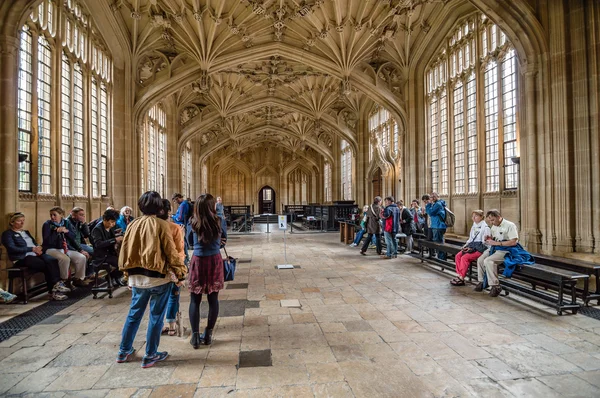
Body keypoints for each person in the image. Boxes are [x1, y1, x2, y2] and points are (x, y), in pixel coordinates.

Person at [116, 191, 187, 368]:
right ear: (159, 207)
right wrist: (181, 273)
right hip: (157, 278)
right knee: (156, 316)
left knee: (134, 314)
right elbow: (171, 253)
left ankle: (124, 351)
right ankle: (151, 354)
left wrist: (126, 274)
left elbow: (125, 250)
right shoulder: (161, 224)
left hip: (136, 277)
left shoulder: (133, 224)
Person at [187, 193, 227, 349]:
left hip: (198, 260)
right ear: (212, 206)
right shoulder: (218, 220)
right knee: (213, 299)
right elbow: (224, 240)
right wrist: (214, 246)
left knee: (194, 300)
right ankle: (208, 334)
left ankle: (195, 337)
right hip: (214, 260)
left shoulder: (193, 222)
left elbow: (189, 242)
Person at [2, 212, 70, 301]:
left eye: (23, 221)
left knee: (52, 260)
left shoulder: (26, 232)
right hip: (22, 258)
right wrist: (31, 249)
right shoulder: (8, 234)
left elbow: (34, 243)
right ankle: (55, 289)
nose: (22, 223)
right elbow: (12, 248)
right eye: (19, 221)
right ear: (12, 222)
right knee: (46, 265)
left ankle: (55, 287)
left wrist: (38, 248)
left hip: (35, 254)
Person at [474, 209, 533, 297]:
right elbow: (495, 238)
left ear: (498, 217)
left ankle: (495, 286)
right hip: (495, 248)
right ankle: (482, 281)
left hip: (506, 250)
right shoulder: (494, 226)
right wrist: (489, 238)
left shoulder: (510, 225)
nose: (491, 222)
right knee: (480, 259)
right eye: (489, 220)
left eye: (493, 220)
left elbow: (513, 242)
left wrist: (498, 243)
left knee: (488, 261)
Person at [158, 199, 186, 337]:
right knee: (173, 296)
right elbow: (179, 252)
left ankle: (159, 325)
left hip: (155, 269)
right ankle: (172, 327)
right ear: (168, 211)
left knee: (158, 298)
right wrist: (180, 273)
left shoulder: (149, 227)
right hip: (172, 269)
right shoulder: (174, 228)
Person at [42, 207, 89, 287]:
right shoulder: (47, 224)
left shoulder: (66, 223)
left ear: (61, 215)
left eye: (54, 215)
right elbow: (47, 241)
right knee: (65, 259)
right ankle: (65, 280)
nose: (52, 217)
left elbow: (73, 237)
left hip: (65, 248)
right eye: (51, 215)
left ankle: (78, 279)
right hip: (51, 249)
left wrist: (80, 249)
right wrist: (57, 232)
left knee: (81, 257)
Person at [450, 210, 490, 286]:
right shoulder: (474, 225)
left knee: (465, 258)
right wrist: (466, 245)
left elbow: (485, 242)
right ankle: (459, 274)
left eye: (476, 216)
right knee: (458, 256)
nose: (473, 218)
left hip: (480, 248)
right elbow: (471, 238)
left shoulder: (485, 227)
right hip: (472, 246)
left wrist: (473, 247)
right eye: (473, 216)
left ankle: (462, 277)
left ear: (481, 217)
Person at [90, 209, 125, 285]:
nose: (113, 224)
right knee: (121, 263)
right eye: (111, 222)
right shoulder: (97, 229)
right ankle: (111, 277)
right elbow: (98, 244)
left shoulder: (112, 227)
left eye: (114, 221)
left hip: (111, 252)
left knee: (126, 259)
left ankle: (115, 277)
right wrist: (114, 240)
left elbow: (114, 236)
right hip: (102, 255)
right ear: (105, 220)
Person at [425, 192, 447, 260]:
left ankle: (442, 259)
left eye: (433, 197)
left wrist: (428, 204)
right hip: (436, 225)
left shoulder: (438, 204)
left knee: (439, 243)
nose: (432, 198)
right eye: (431, 197)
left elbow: (430, 213)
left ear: (437, 196)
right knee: (438, 242)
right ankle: (441, 258)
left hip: (438, 226)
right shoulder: (437, 203)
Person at [172, 193, 191, 265]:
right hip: (183, 225)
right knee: (183, 243)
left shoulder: (183, 205)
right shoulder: (184, 204)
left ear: (178, 198)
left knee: (183, 243)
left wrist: (172, 216)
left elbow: (179, 217)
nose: (175, 203)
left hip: (182, 225)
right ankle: (187, 260)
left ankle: (186, 261)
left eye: (175, 201)